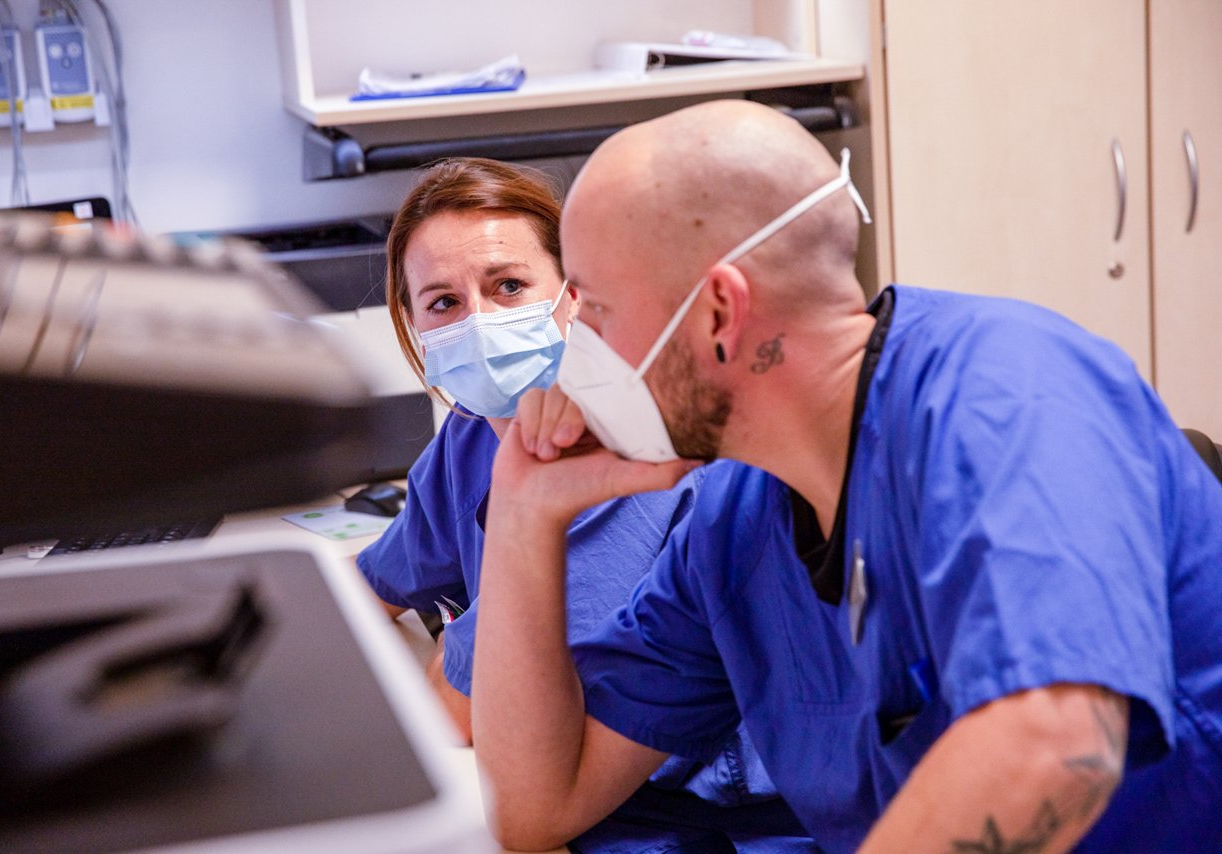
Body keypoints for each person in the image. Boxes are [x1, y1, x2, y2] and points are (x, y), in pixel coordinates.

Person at [472, 101, 1222, 853]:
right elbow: (537, 805)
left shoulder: (1006, 393)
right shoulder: (733, 527)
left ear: (717, 313)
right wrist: (521, 509)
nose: (575, 352)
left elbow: (1055, 743)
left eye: (594, 309)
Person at [356, 157, 814, 852]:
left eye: (509, 286)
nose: (479, 324)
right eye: (443, 303)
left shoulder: (606, 454)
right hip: (566, 796)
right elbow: (374, 584)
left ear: (571, 296)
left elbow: (461, 717)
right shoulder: (470, 437)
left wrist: (451, 655)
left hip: (685, 819)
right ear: (413, 324)